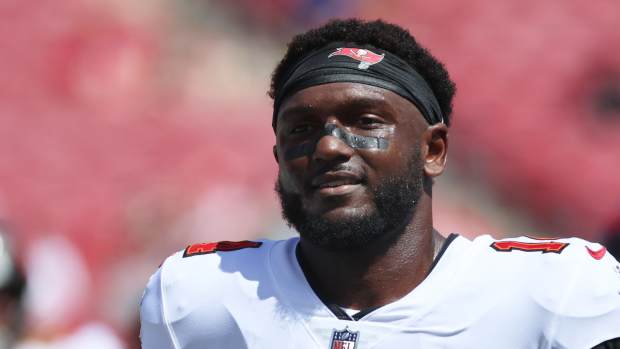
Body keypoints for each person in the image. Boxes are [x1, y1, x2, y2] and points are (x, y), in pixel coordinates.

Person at [140, 19, 620, 348]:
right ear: (277, 156)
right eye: (301, 128)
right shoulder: (196, 295)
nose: (328, 147)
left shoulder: (558, 292)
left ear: (433, 151)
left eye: (365, 121)